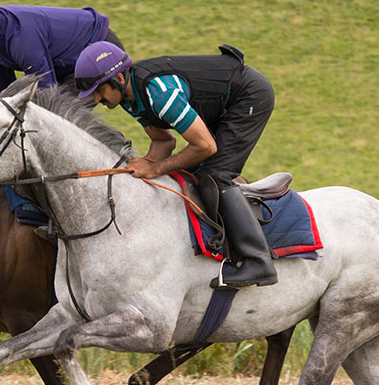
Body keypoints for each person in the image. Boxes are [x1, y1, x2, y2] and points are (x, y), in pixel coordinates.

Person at [73, 41, 279, 289]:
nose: (97, 99)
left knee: (214, 175)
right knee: (187, 173)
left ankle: (258, 261)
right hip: (220, 103)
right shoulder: (129, 98)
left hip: (249, 95)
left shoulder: (157, 93)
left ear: (118, 77)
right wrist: (144, 165)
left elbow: (205, 146)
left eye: (99, 90)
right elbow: (164, 141)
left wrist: (156, 169)